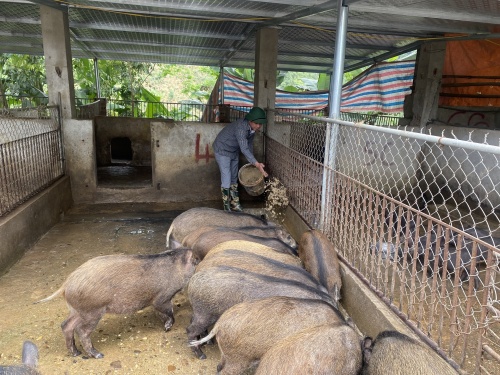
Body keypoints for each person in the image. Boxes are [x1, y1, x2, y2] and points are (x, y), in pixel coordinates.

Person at [212, 106, 269, 212]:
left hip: (233, 151)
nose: (258, 126)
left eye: (260, 124)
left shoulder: (252, 129)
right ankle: (226, 207)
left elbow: (249, 145)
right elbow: (244, 148)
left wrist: (252, 161)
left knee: (234, 177)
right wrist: (256, 164)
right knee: (227, 177)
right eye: (256, 123)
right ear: (250, 121)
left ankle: (235, 203)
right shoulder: (241, 128)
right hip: (222, 149)